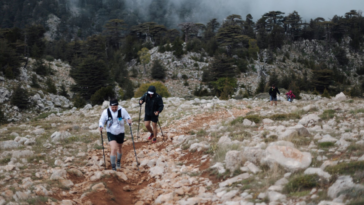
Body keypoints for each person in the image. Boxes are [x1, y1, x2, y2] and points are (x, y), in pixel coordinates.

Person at [99, 99, 132, 171]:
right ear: (110, 106)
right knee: (113, 148)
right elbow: (101, 120)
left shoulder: (122, 110)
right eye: (113, 107)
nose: (114, 108)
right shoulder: (106, 112)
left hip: (120, 131)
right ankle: (113, 167)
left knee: (119, 148)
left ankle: (118, 162)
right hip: (110, 132)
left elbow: (127, 117)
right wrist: (101, 126)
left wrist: (129, 121)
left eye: (115, 107)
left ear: (117, 106)